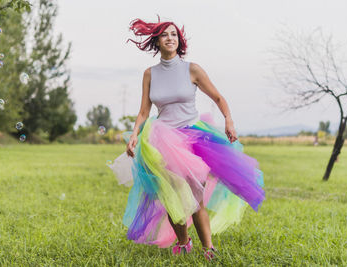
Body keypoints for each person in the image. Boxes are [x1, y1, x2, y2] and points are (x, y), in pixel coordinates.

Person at [109, 16, 265, 261]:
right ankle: (184, 242)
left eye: (173, 34)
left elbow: (218, 98)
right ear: (157, 41)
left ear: (178, 40)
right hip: (161, 139)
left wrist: (228, 120)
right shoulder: (150, 74)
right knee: (171, 197)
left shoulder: (192, 69)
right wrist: (134, 136)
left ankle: (208, 248)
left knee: (195, 197)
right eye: (164, 35)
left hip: (193, 138)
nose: (170, 38)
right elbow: (143, 112)